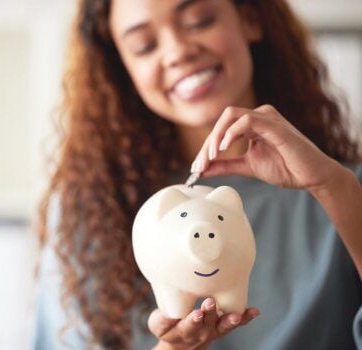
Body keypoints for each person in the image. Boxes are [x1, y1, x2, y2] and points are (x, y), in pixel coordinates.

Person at [32, 0, 362, 349]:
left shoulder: (344, 191)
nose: (177, 52)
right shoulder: (91, 213)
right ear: (123, 69)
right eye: (145, 45)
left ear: (249, 18)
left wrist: (334, 186)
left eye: (199, 21)